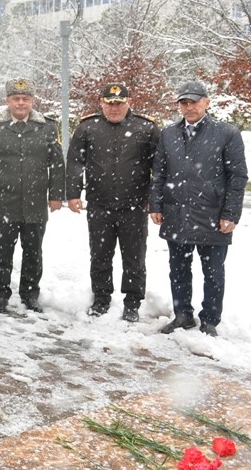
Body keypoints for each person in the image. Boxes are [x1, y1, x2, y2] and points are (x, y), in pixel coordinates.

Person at [150, 81, 247, 338]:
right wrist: (156, 204)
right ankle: (182, 315)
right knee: (178, 269)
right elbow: (159, 173)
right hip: (176, 213)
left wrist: (231, 213)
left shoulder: (226, 133)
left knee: (213, 272)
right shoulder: (168, 134)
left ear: (206, 102)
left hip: (213, 215)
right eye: (184, 102)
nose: (189, 107)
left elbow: (237, 176)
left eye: (194, 101)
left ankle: (210, 320)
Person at [67, 83, 160, 322]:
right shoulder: (88, 127)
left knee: (134, 257)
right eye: (109, 103)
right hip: (99, 204)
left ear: (128, 102)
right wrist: (73, 193)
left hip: (134, 205)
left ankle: (132, 303)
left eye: (119, 103)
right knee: (99, 255)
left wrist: (154, 199)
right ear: (101, 103)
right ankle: (101, 298)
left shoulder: (146, 128)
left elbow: (158, 168)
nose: (114, 108)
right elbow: (75, 163)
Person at [0, 78, 65, 314]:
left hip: (35, 201)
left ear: (32, 101)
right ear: (8, 101)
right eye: (16, 98)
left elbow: (56, 164)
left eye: (25, 99)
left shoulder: (46, 126)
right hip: (4, 200)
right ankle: (1, 294)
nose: (21, 103)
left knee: (33, 250)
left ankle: (29, 293)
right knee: (3, 250)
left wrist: (56, 194)